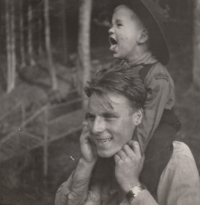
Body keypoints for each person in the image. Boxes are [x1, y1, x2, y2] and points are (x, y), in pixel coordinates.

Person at [55, 66, 200, 205]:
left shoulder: (176, 159)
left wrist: (131, 185)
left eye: (109, 117)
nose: (95, 128)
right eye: (91, 117)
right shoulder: (100, 156)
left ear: (137, 117)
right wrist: (85, 164)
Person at [108, 0, 180, 153]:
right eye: (111, 24)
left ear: (142, 36)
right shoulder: (123, 68)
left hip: (157, 126)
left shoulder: (158, 78)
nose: (110, 30)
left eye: (118, 25)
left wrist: (133, 155)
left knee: (150, 161)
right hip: (133, 121)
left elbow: (148, 123)